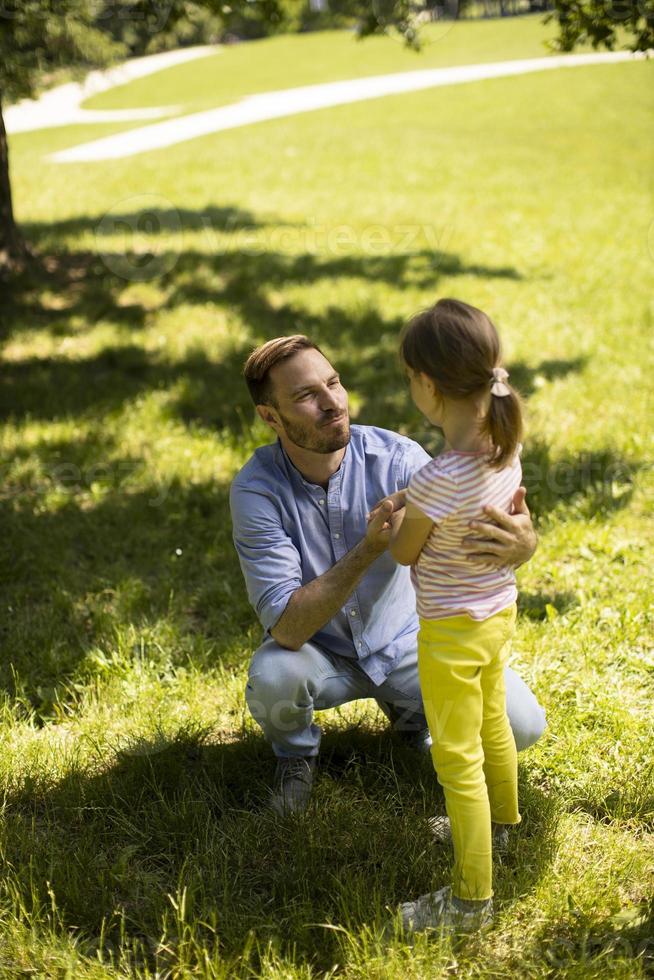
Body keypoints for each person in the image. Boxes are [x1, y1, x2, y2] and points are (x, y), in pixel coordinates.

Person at [229, 334, 545, 817]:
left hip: (409, 643)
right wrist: (368, 549)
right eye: (306, 396)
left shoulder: (399, 459)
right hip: (321, 653)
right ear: (271, 417)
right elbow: (288, 628)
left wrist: (523, 544)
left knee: (522, 728)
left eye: (333, 382)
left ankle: (412, 717)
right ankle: (296, 755)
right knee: (274, 675)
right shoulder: (256, 491)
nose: (332, 402)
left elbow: (473, 541)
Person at [388, 298, 527, 936]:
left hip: (448, 633)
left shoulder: (437, 479)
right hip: (496, 614)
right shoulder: (503, 444)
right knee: (494, 723)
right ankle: (503, 828)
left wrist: (400, 519)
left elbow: (405, 551)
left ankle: (471, 900)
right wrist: (416, 504)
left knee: (456, 757)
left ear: (429, 385)